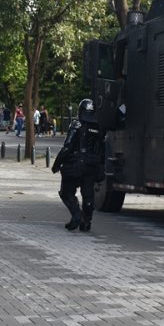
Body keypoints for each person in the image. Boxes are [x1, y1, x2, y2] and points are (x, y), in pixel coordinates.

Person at [52, 98, 106, 232]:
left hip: (75, 165)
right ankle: (87, 222)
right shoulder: (99, 128)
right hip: (92, 166)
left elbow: (67, 147)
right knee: (88, 195)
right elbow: (102, 150)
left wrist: (57, 164)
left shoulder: (77, 125)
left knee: (66, 192)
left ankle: (76, 215)